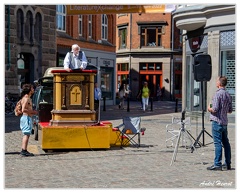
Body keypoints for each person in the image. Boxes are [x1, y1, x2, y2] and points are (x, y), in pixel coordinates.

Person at [207, 76, 232, 171]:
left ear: (219, 83)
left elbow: (215, 109)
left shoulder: (217, 94)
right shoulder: (228, 94)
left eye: (217, 81)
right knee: (226, 143)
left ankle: (217, 164)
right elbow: (230, 110)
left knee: (217, 143)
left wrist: (209, 108)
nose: (216, 82)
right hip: (224, 122)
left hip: (217, 121)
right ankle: (228, 163)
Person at [19, 84, 38, 156]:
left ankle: (24, 150)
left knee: (27, 134)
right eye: (32, 88)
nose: (33, 89)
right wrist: (33, 112)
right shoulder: (26, 98)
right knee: (26, 134)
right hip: (26, 117)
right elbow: (23, 109)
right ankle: (24, 150)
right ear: (29, 90)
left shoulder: (27, 98)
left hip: (27, 117)